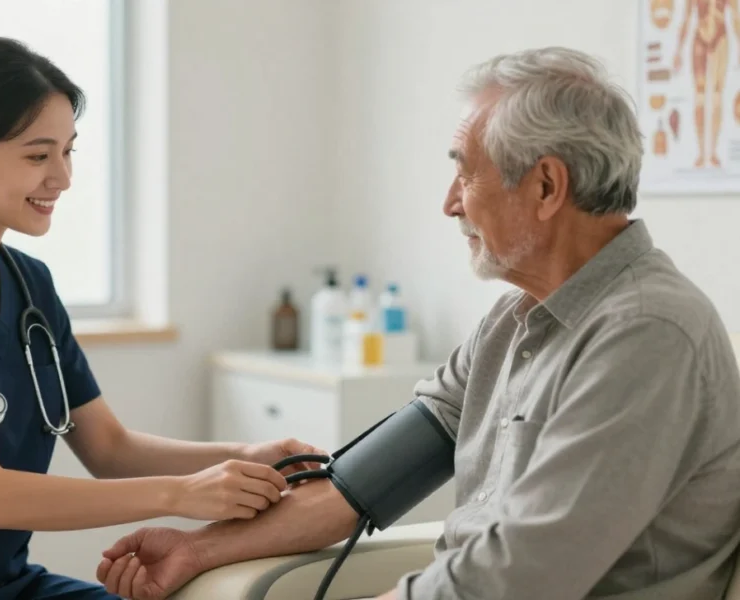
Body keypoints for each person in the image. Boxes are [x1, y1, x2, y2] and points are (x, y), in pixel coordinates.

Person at [95, 47, 740, 600]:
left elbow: (524, 573)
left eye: (465, 169)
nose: (449, 201)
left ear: (546, 187)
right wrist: (198, 550)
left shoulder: (648, 334)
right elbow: (359, 485)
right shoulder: (515, 320)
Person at [0, 37, 325, 600]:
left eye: (68, 151)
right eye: (37, 155)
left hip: (0, 583)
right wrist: (182, 494)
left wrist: (245, 455)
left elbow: (110, 449)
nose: (63, 178)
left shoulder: (28, 283)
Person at [673, 0, 740, 167]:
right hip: (700, 38)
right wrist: (678, 51)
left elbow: (735, 17)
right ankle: (702, 152)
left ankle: (713, 152)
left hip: (721, 37)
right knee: (700, 97)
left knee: (717, 96)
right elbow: (686, 18)